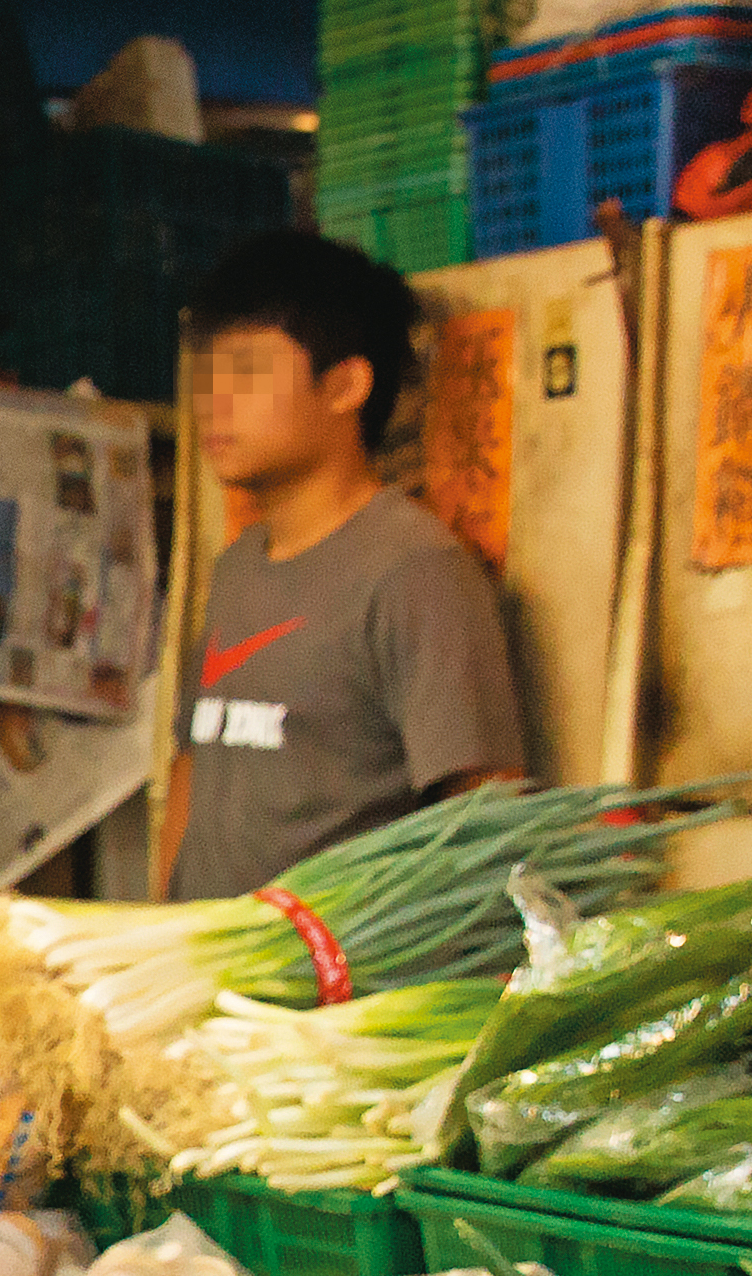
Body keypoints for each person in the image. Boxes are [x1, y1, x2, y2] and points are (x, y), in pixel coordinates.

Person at [165, 228, 529, 902]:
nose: (213, 401)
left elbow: (485, 816)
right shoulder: (239, 568)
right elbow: (193, 768)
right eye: (207, 374)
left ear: (345, 386)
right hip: (199, 979)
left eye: (245, 372)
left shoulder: (415, 571)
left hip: (327, 994)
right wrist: (151, 927)